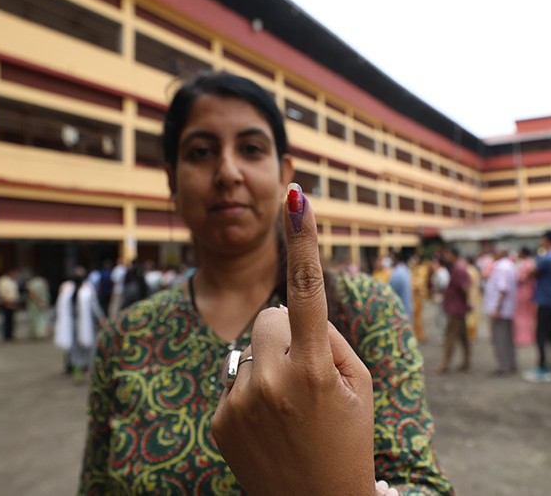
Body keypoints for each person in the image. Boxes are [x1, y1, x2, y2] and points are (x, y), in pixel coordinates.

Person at [78, 72, 452, 494]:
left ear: (283, 173)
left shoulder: (365, 309)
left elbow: (424, 484)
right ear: (171, 180)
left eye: (251, 149)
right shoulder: (127, 337)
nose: (227, 171)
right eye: (200, 152)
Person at [524, 230, 551, 383]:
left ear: (546, 240)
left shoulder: (547, 257)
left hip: (545, 301)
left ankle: (542, 368)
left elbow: (531, 272)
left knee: (541, 335)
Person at [55, 268, 104, 380]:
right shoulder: (87, 290)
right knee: (84, 346)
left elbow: (58, 308)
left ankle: (76, 367)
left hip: (72, 324)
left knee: (74, 347)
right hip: (83, 324)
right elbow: (94, 307)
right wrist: (101, 318)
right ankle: (82, 367)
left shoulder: (66, 290)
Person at [484, 245, 517, 376]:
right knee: (508, 338)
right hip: (507, 309)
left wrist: (497, 308)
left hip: (500, 310)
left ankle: (503, 367)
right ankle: (511, 364)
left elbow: (502, 289)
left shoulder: (500, 267)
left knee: (500, 339)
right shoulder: (509, 265)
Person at [438, 247, 472, 373]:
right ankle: (466, 361)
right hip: (458, 307)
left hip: (455, 308)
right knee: (463, 336)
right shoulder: (458, 268)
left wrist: (462, 302)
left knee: (450, 336)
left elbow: (464, 287)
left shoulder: (459, 269)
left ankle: (445, 363)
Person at [514, 246, 537, 347]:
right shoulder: (531, 263)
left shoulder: (525, 264)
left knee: (521, 315)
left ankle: (523, 337)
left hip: (523, 292)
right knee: (529, 315)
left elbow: (521, 278)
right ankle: (530, 336)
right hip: (530, 292)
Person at [25, 272, 51, 340]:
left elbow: (31, 293)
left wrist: (38, 301)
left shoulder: (31, 283)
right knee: (42, 318)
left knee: (35, 319)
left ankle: (38, 334)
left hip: (34, 304)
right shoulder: (43, 282)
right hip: (43, 302)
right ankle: (42, 333)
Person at [0, 268, 19, 342]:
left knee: (11, 320)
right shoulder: (3, 281)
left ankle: (11, 335)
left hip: (12, 302)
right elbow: (2, 293)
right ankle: (6, 336)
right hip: (6, 303)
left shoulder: (12, 281)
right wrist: (7, 302)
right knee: (7, 321)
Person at [388, 251, 414, 320]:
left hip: (400, 312)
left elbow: (390, 292)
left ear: (395, 259)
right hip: (407, 310)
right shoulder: (406, 270)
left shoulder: (397, 273)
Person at [465, 256, 482, 341]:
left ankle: (470, 333)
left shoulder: (468, 270)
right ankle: (473, 333)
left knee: (470, 314)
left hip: (470, 294)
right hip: (475, 293)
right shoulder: (475, 270)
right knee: (474, 313)